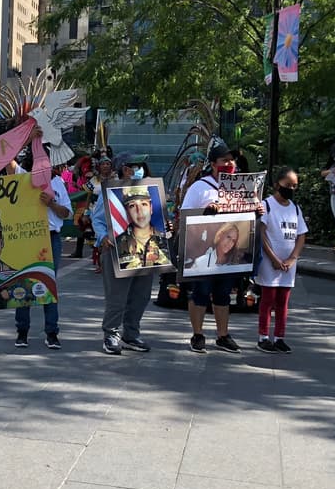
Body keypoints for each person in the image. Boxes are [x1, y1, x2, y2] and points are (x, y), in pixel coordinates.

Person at [181, 144, 248, 354]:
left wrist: (258, 209)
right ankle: (198, 334)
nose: (229, 164)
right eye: (224, 160)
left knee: (224, 294)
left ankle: (223, 335)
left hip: (228, 253)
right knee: (200, 292)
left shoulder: (241, 186)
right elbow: (185, 215)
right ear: (213, 164)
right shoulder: (200, 187)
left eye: (231, 160)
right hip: (204, 252)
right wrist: (205, 212)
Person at [92, 179, 156, 355]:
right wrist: (103, 237)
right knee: (117, 297)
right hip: (116, 250)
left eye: (139, 167)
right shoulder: (111, 192)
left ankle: (131, 334)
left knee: (141, 296)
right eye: (129, 167)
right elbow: (97, 219)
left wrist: (168, 227)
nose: (135, 171)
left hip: (146, 251)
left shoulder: (149, 189)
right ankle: (111, 334)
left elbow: (160, 217)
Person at [15, 157, 72, 349]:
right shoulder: (21, 179)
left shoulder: (57, 183)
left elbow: (66, 213)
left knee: (49, 284)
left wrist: (51, 203)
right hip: (26, 238)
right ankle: (22, 331)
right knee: (23, 282)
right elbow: (8, 160)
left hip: (50, 238)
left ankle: (51, 332)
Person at [255, 167, 307, 354]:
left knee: (283, 302)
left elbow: (301, 235)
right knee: (268, 299)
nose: (291, 189)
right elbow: (262, 233)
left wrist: (293, 258)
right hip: (270, 263)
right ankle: (263, 337)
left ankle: (279, 337)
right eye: (288, 185)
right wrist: (274, 258)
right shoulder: (267, 205)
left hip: (288, 264)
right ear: (277, 185)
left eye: (295, 186)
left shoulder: (295, 208)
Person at [115, 184, 171, 270]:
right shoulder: (117, 243)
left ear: (151, 208)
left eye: (144, 204)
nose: (139, 211)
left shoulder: (166, 240)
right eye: (132, 206)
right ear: (127, 212)